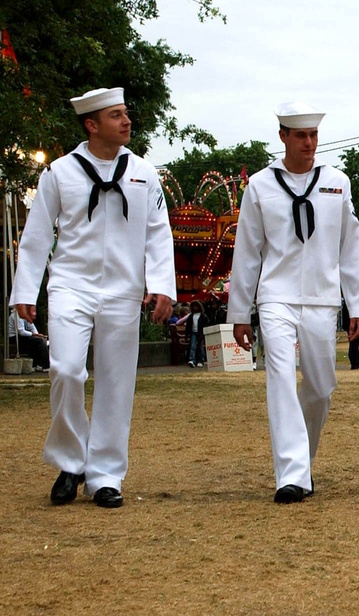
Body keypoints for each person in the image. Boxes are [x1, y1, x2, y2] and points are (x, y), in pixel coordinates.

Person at [9, 87, 175, 509]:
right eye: (116, 115)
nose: (126, 121)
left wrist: (162, 286)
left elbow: (158, 232)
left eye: (126, 114)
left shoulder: (143, 172)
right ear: (91, 124)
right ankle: (70, 462)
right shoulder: (60, 172)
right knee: (65, 370)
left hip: (123, 289)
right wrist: (24, 291)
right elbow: (36, 235)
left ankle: (105, 474)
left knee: (117, 383)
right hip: (70, 284)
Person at [228, 101, 359, 504]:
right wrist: (241, 312)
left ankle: (302, 460)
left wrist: (358, 304)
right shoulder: (260, 185)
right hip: (276, 296)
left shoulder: (337, 182)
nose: (309, 144)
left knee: (321, 388)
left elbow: (350, 247)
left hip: (323, 300)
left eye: (313, 136)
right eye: (300, 136)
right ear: (283, 137)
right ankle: (290, 474)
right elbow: (248, 251)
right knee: (280, 378)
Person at [185, 300, 207, 367]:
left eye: (196, 306)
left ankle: (201, 360)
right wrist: (187, 334)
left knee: (200, 347)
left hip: (200, 333)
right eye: (193, 306)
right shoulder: (191, 316)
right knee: (193, 346)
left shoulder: (203, 316)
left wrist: (203, 334)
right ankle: (192, 360)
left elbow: (205, 325)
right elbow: (188, 326)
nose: (195, 308)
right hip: (193, 333)